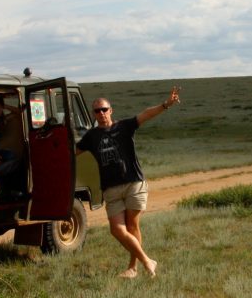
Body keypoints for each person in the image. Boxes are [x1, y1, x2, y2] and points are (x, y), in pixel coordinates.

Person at [76, 85, 181, 278]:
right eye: (97, 111)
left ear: (111, 111)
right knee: (117, 230)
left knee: (132, 226)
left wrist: (166, 104)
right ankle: (147, 260)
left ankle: (133, 268)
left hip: (133, 182)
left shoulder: (124, 126)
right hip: (110, 189)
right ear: (93, 113)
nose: (101, 113)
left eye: (104, 109)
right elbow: (74, 152)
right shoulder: (91, 136)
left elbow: (146, 114)